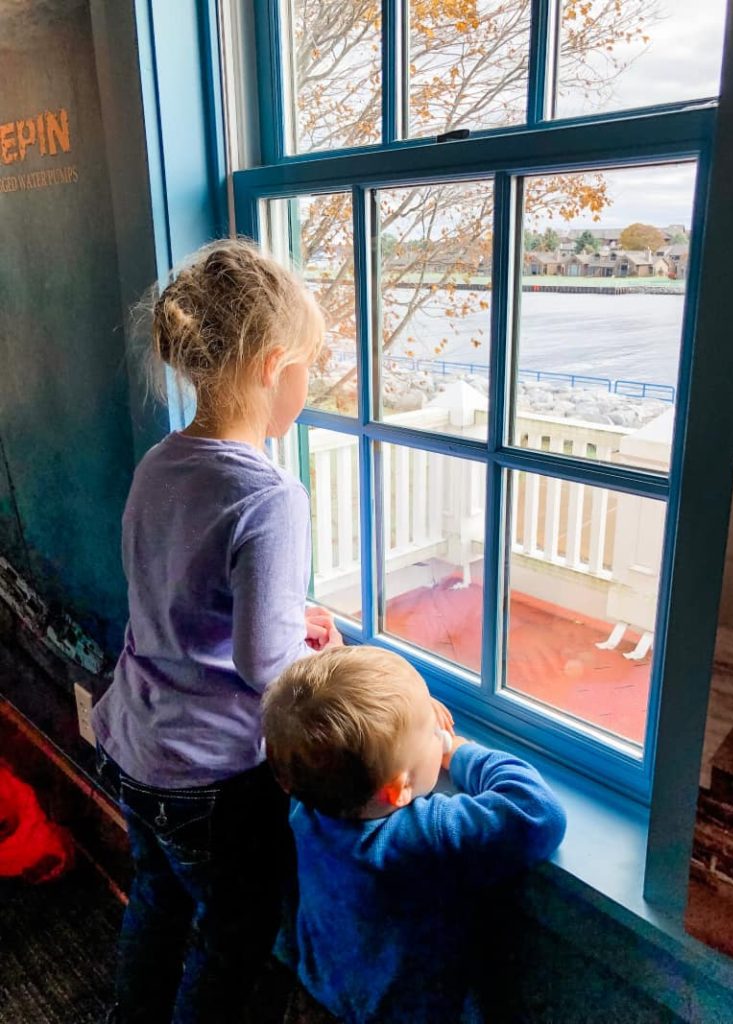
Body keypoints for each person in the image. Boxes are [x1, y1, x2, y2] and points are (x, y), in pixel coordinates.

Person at [92, 239, 341, 1024]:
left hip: (134, 743)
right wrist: (314, 647)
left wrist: (278, 615)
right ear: (274, 366)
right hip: (212, 778)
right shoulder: (270, 496)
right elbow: (265, 663)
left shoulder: (161, 463)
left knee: (157, 904)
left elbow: (173, 595)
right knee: (231, 939)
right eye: (308, 363)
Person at [262, 645, 567, 1024]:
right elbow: (538, 812)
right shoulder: (422, 836)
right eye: (431, 732)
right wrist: (459, 752)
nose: (438, 732)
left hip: (318, 1000)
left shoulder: (307, 805)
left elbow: (324, 730)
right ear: (397, 789)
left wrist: (409, 718)